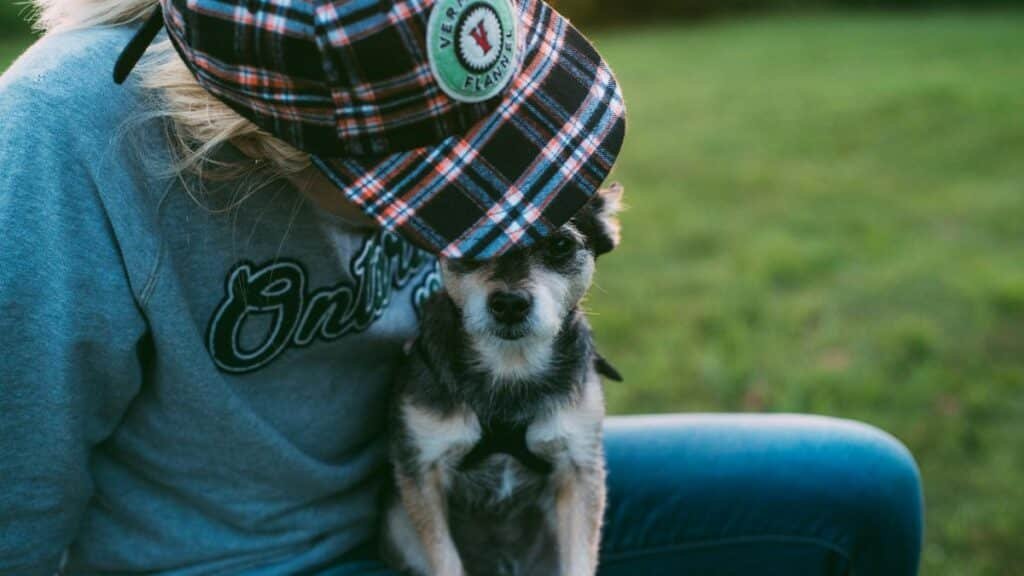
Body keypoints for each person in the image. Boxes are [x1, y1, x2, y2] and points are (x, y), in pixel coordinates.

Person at [0, 0, 923, 574]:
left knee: (857, 493)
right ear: (253, 128)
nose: (489, 215)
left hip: (478, 490)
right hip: (261, 558)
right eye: (431, 176)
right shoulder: (62, 138)